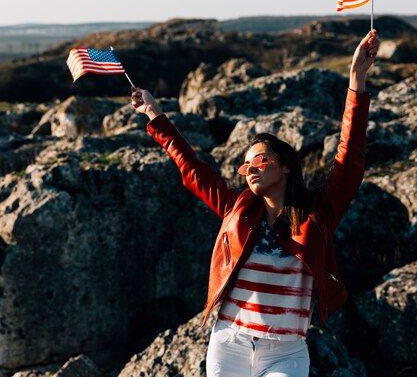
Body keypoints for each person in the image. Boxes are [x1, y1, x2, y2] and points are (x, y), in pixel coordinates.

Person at [131, 30, 380, 377]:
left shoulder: (317, 214)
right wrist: (155, 116)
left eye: (260, 161)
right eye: (246, 165)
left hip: (286, 353)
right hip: (229, 343)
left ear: (287, 166)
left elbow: (349, 159)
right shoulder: (238, 210)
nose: (250, 169)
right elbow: (192, 170)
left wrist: (357, 80)